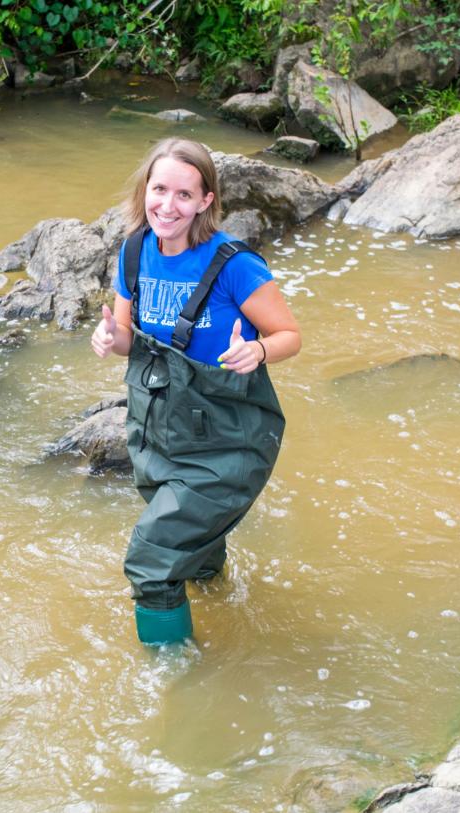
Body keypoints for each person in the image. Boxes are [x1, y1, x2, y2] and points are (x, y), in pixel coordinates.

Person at [91, 138, 301, 646]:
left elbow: (289, 336)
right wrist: (109, 338)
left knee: (152, 560)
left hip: (229, 440)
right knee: (194, 547)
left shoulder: (234, 264)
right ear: (144, 191)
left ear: (206, 201)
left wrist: (259, 353)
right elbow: (126, 341)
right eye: (159, 189)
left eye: (184, 195)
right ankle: (223, 601)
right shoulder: (134, 251)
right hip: (156, 433)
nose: (167, 205)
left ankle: (173, 673)